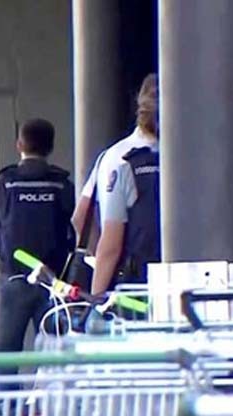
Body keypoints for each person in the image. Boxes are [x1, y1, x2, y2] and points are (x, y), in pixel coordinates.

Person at [0, 118, 75, 363]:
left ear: (19, 145)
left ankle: (4, 403)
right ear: (50, 147)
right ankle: (49, 402)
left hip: (13, 278)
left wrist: (0, 237)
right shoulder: (62, 185)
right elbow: (79, 227)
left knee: (6, 356)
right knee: (54, 357)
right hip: (53, 281)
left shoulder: (4, 183)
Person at [73, 73, 160, 295]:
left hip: (135, 286)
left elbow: (105, 239)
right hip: (185, 282)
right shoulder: (189, 156)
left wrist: (95, 300)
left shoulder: (117, 159)